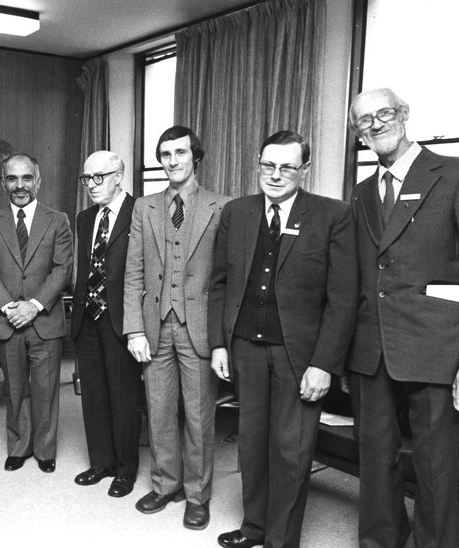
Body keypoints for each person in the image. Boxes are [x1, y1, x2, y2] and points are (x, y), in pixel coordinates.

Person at [208, 131, 358, 548]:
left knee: (291, 451)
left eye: (287, 167)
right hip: (245, 349)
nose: (275, 175)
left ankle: (281, 539)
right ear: (257, 162)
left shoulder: (333, 215)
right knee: (251, 446)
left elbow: (342, 300)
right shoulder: (236, 212)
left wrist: (323, 364)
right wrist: (219, 343)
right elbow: (219, 284)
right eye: (267, 165)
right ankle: (254, 526)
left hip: (301, 356)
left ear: (303, 170)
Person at [347, 88, 459, 548]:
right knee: (374, 460)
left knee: (437, 466)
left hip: (436, 345)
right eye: (363, 121)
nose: (374, 125)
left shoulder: (451, 174)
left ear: (405, 115)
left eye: (384, 114)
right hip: (370, 347)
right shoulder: (360, 192)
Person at [123, 125, 229, 530]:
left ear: (195, 156)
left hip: (198, 327)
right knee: (160, 411)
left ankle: (197, 495)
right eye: (165, 154)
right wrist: (134, 328)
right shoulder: (144, 207)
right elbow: (133, 271)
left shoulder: (222, 205)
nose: (172, 161)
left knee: (200, 417)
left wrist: (221, 339)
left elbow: (225, 278)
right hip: (153, 326)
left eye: (180, 153)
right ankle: (165, 484)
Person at [0, 153, 73, 473]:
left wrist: (33, 306)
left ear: (38, 181)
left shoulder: (57, 220)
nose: (20, 185)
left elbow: (62, 269)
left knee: (45, 390)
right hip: (7, 321)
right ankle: (18, 446)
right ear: (3, 183)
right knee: (14, 388)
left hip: (44, 319)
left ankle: (44, 450)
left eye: (27, 178)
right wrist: (8, 307)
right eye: (13, 179)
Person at [70, 151, 141, 497]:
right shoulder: (85, 218)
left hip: (121, 319)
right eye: (87, 179)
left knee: (124, 396)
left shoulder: (140, 212)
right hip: (88, 318)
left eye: (100, 177)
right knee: (93, 395)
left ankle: (126, 470)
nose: (92, 185)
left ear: (119, 176)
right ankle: (101, 462)